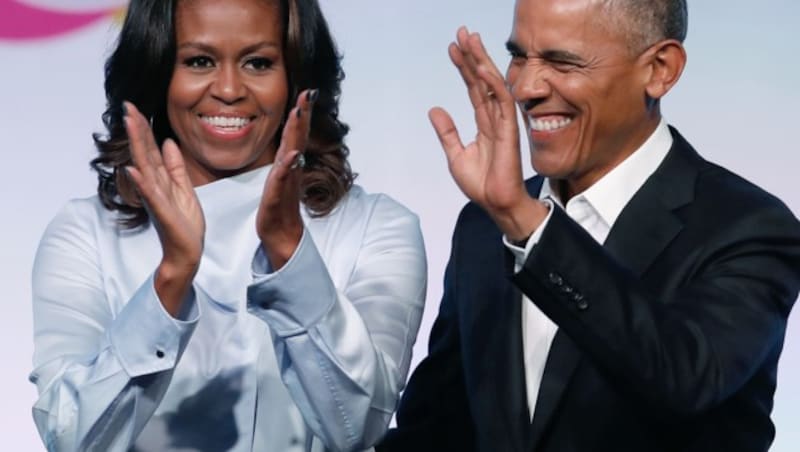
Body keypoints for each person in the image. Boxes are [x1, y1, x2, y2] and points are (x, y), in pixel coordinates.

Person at [378, 0, 800, 451]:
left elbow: (684, 378)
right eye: (519, 56)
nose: (523, 87)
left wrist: (527, 225)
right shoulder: (484, 228)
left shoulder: (749, 227)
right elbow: (436, 430)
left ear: (660, 68)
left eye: (562, 61)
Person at [29, 0, 427, 450]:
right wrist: (172, 278)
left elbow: (355, 425)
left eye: (258, 63)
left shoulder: (378, 227)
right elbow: (72, 437)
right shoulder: (85, 233)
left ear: (297, 75)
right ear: (157, 71)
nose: (230, 89)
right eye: (199, 61)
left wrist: (288, 251)